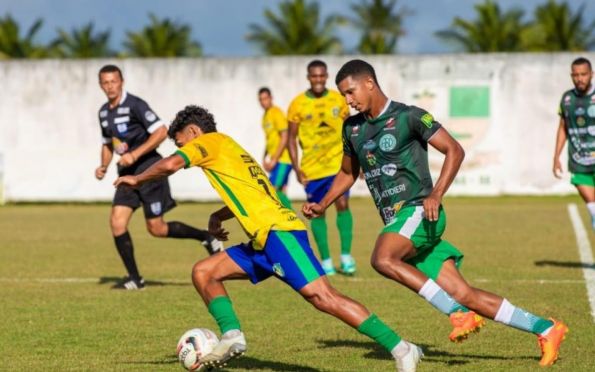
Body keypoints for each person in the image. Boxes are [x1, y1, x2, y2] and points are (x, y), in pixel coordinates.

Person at [114, 105, 423, 372]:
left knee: (323, 297)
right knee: (204, 272)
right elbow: (256, 192)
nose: (180, 149)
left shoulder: (207, 142)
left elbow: (170, 165)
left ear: (193, 132)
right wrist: (219, 216)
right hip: (263, 241)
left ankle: (400, 347)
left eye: (180, 142)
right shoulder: (228, 149)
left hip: (280, 233)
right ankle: (232, 335)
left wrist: (137, 178)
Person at [303, 59, 569, 367]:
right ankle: (546, 328)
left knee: (382, 258)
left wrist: (436, 193)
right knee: (464, 293)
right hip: (401, 225)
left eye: (350, 92)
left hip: (420, 210)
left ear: (369, 84)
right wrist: (323, 203)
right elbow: (348, 174)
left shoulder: (409, 116)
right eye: (343, 95)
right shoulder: (352, 128)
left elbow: (455, 150)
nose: (348, 101)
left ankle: (456, 313)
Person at [95, 65, 222, 290]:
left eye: (113, 81)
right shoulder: (104, 112)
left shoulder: (136, 105)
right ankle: (135, 278)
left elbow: (161, 131)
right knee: (116, 222)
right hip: (126, 176)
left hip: (149, 171)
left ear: (121, 81)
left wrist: (134, 154)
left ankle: (205, 236)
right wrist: (103, 165)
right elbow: (107, 143)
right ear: (100, 85)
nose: (110, 86)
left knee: (157, 229)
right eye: (105, 82)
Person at [287, 59, 356, 276]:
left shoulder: (339, 99)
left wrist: (358, 159)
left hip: (339, 164)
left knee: (343, 204)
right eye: (314, 76)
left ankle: (346, 257)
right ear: (308, 77)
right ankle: (326, 260)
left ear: (326, 76)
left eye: (321, 76)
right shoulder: (297, 104)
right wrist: (296, 168)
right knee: (317, 212)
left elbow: (353, 129)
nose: (318, 80)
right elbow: (291, 138)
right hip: (312, 168)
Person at [553, 57, 595, 230]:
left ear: (591, 74)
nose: (580, 78)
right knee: (594, 210)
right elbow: (563, 127)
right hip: (579, 163)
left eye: (583, 74)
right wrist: (556, 156)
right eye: (576, 75)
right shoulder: (567, 99)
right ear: (571, 76)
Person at [257, 87, 293, 209]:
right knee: (281, 191)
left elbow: (285, 136)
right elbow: (269, 140)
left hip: (283, 160)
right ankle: (288, 223)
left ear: (271, 98)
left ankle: (293, 219)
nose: (263, 102)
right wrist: (264, 158)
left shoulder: (277, 113)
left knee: (272, 190)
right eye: (261, 99)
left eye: (265, 98)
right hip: (276, 160)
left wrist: (274, 159)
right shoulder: (265, 116)